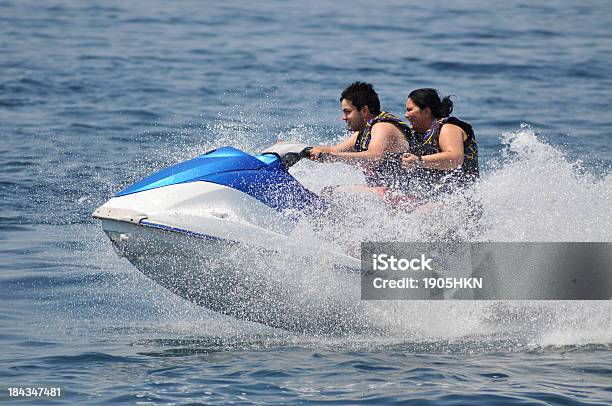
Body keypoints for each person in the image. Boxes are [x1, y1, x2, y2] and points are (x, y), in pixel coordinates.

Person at [309, 82, 411, 192]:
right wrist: (303, 150)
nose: (344, 117)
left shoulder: (382, 127)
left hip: (406, 198)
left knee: (331, 192)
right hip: (386, 194)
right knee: (329, 191)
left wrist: (333, 156)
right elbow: (334, 149)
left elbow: (374, 157)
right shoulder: (364, 132)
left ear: (364, 111)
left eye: (347, 112)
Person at [400, 88, 479, 199]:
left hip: (461, 201)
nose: (406, 115)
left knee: (416, 212)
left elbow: (455, 159)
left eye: (410, 110)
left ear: (427, 112)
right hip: (435, 199)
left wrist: (418, 161)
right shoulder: (417, 133)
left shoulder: (448, 128)